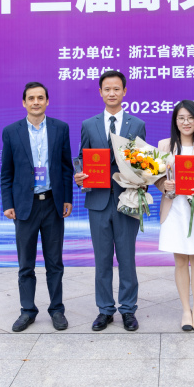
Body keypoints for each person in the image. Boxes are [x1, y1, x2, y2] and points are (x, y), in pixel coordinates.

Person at [74, 70, 147, 331]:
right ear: (100, 92)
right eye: (107, 89)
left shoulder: (136, 124)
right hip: (98, 201)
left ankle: (128, 309)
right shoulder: (89, 124)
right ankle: (105, 310)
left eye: (117, 89)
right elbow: (81, 158)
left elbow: (143, 162)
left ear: (124, 91)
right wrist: (79, 176)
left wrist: (143, 177)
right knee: (102, 259)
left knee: (127, 258)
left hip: (127, 199)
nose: (112, 93)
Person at [0, 81, 74, 332]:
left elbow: (66, 167)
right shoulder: (11, 131)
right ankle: (27, 311)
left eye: (40, 98)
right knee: (26, 265)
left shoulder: (60, 128)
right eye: (31, 98)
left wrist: (67, 198)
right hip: (25, 206)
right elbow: (6, 172)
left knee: (55, 263)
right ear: (24, 102)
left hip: (52, 204)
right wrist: (8, 203)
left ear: (47, 101)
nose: (36, 102)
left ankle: (57, 310)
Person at [156, 101, 194, 333]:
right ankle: (185, 310)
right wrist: (165, 185)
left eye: (190, 117)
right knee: (181, 260)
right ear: (175, 121)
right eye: (181, 118)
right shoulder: (165, 145)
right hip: (175, 209)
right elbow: (156, 177)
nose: (186, 122)